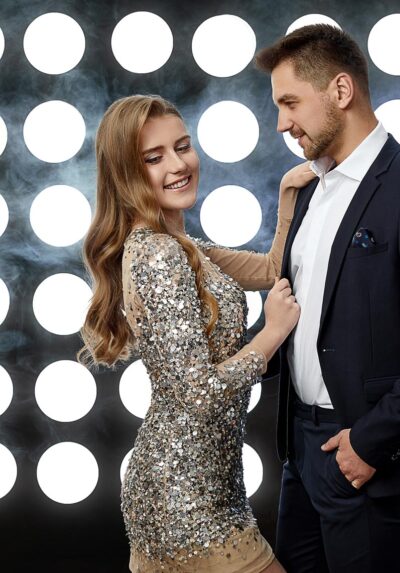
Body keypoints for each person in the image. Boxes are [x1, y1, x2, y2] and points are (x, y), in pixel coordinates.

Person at [204, 25, 400, 573]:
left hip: (363, 450)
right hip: (300, 450)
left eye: (289, 103)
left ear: (340, 90)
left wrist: (371, 443)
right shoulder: (309, 189)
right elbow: (301, 312)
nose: (281, 123)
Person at [78, 94, 315, 572]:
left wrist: (289, 194)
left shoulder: (180, 246)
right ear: (126, 173)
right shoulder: (159, 255)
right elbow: (198, 393)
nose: (178, 165)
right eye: (154, 157)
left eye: (182, 147)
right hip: (185, 500)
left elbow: (271, 269)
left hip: (202, 486)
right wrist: (271, 332)